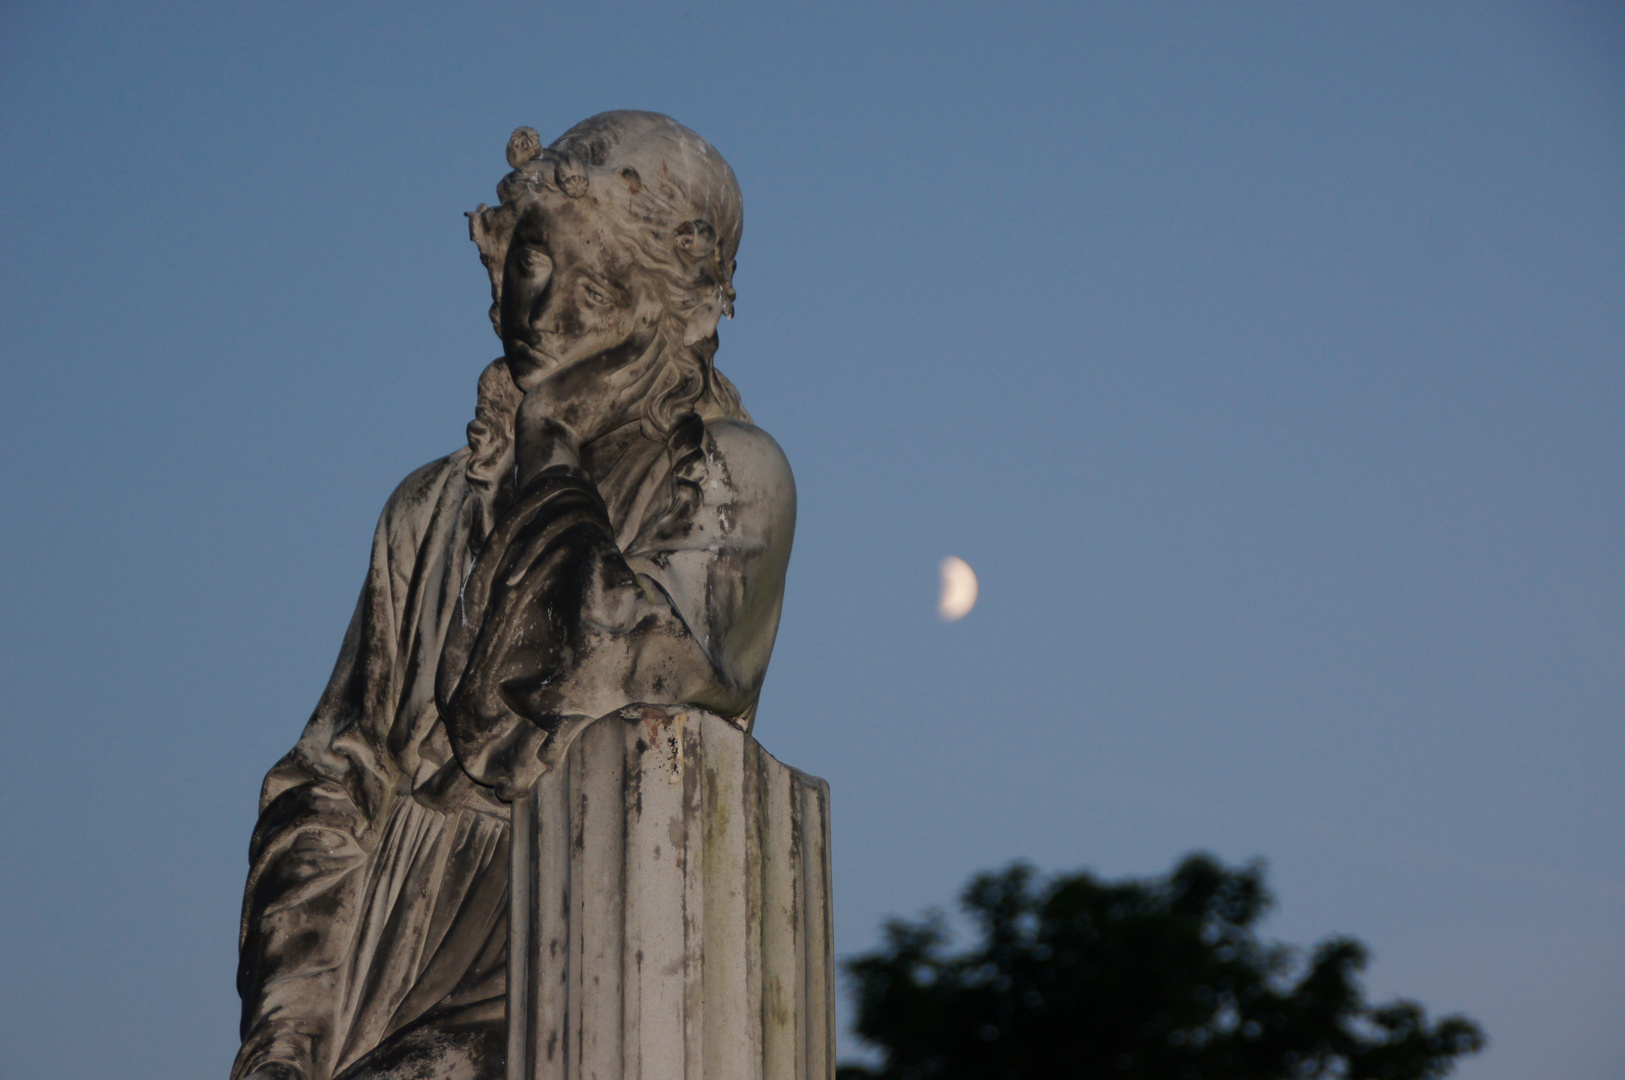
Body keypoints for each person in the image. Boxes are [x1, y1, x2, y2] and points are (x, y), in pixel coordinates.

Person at [231, 111, 795, 1080]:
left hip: (579, 965)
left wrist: (552, 465)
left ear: (674, 314)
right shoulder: (428, 506)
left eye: (599, 283)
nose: (546, 313)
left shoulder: (729, 476)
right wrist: (287, 1038)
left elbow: (591, 683)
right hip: (376, 990)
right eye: (534, 264)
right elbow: (330, 785)